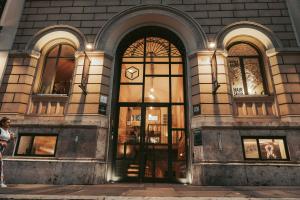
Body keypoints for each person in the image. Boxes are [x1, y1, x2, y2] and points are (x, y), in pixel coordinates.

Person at [0, 117, 15, 188]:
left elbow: (7, 142)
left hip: (1, 150)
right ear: (3, 123)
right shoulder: (0, 130)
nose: (9, 124)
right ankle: (1, 182)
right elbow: (2, 141)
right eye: (7, 122)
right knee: (0, 164)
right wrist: (1, 142)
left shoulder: (8, 131)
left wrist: (11, 138)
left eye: (9, 122)